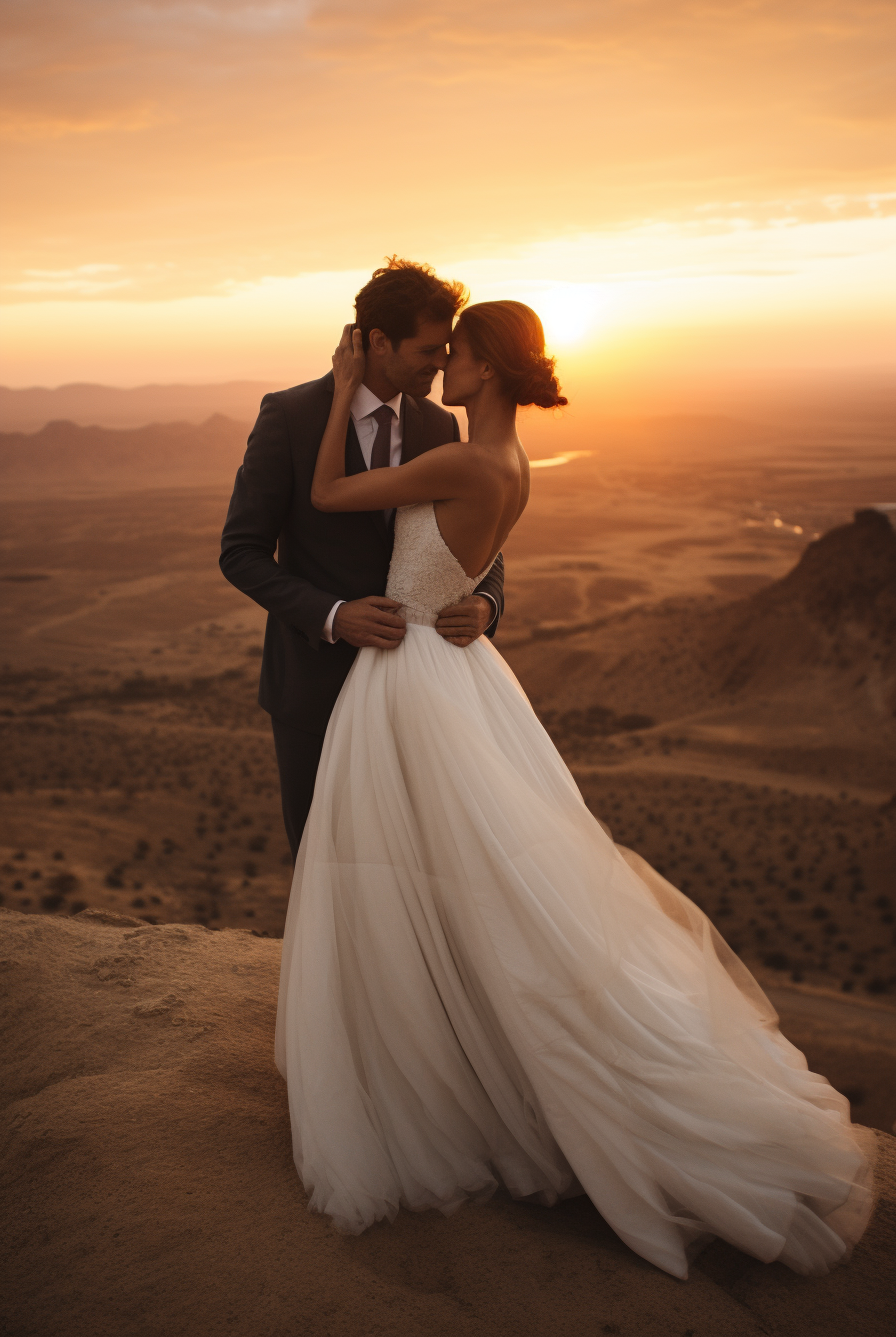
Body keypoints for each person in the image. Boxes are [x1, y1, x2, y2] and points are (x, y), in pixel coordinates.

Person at [274, 300, 874, 1281]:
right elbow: (466, 562)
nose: (443, 370)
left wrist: (342, 385)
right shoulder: (509, 465)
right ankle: (463, 1053)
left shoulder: (467, 460)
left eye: (457, 356)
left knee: (418, 870)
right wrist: (476, 601)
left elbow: (333, 490)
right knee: (479, 877)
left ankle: (444, 1080)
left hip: (412, 676)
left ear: (492, 370)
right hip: (451, 668)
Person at [220, 259, 505, 859]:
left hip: (417, 690)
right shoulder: (291, 416)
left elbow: (476, 539)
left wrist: (486, 602)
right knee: (325, 858)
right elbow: (240, 552)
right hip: (313, 686)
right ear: (379, 342)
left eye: (446, 350)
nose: (440, 362)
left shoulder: (439, 427)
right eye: (429, 350)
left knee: (413, 866)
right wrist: (331, 613)